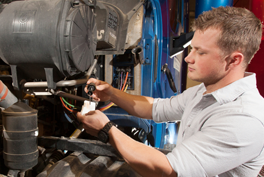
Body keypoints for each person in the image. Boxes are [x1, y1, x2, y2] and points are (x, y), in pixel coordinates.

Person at [77, 6, 264, 177]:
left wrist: (107, 129)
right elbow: (157, 108)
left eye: (200, 52)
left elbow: (168, 170)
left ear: (233, 60)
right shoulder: (205, 90)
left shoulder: (244, 119)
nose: (188, 58)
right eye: (192, 48)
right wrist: (112, 94)